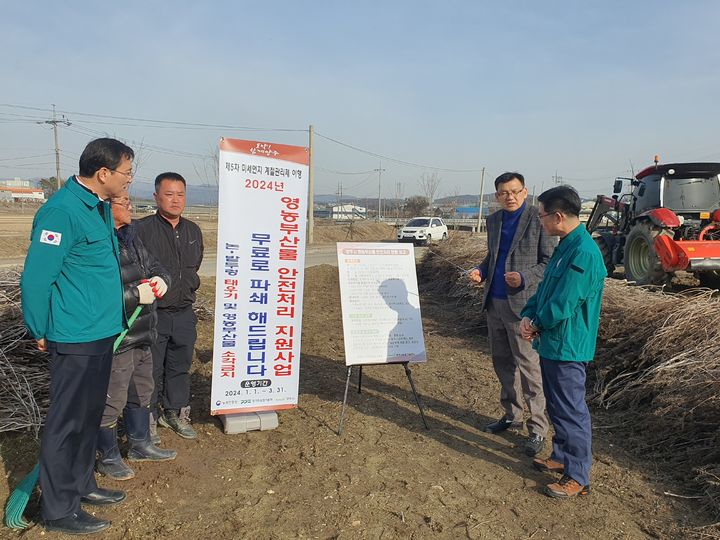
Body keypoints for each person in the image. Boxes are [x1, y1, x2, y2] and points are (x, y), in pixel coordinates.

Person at [21, 138, 134, 534]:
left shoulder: (98, 208)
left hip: (101, 331)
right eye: (126, 172)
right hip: (75, 334)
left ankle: (82, 483)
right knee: (66, 423)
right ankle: (58, 509)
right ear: (103, 174)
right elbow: (37, 277)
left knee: (88, 417)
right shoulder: (61, 211)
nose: (129, 180)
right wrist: (39, 327)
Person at [519, 185, 606, 498]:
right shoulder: (565, 245)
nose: (540, 221)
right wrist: (529, 316)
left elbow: (565, 302)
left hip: (568, 345)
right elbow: (545, 291)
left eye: (542, 216)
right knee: (557, 406)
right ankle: (561, 456)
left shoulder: (583, 252)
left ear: (558, 216)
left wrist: (537, 323)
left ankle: (577, 476)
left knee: (571, 410)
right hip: (553, 342)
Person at [468, 172, 556, 457]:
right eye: (504, 192)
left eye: (515, 191)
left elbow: (548, 263)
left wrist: (524, 277)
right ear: (496, 196)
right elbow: (493, 256)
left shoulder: (537, 219)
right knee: (502, 363)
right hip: (494, 303)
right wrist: (481, 271)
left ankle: (538, 429)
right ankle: (512, 415)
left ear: (525, 192)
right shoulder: (493, 221)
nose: (510, 196)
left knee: (530, 369)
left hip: (523, 308)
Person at [96, 192, 177, 480]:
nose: (131, 207)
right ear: (106, 208)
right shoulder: (98, 243)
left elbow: (156, 266)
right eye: (125, 202)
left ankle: (140, 443)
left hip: (142, 332)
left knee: (142, 390)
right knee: (112, 398)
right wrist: (131, 295)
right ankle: (107, 456)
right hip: (119, 337)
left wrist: (161, 279)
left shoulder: (132, 238)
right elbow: (92, 292)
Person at [136, 172, 203, 441]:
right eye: (169, 194)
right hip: (153, 314)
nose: (175, 200)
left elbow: (194, 266)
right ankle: (148, 418)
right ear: (156, 197)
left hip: (184, 312)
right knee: (150, 368)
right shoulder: (141, 230)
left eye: (180, 194)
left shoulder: (192, 231)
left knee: (180, 365)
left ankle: (174, 412)